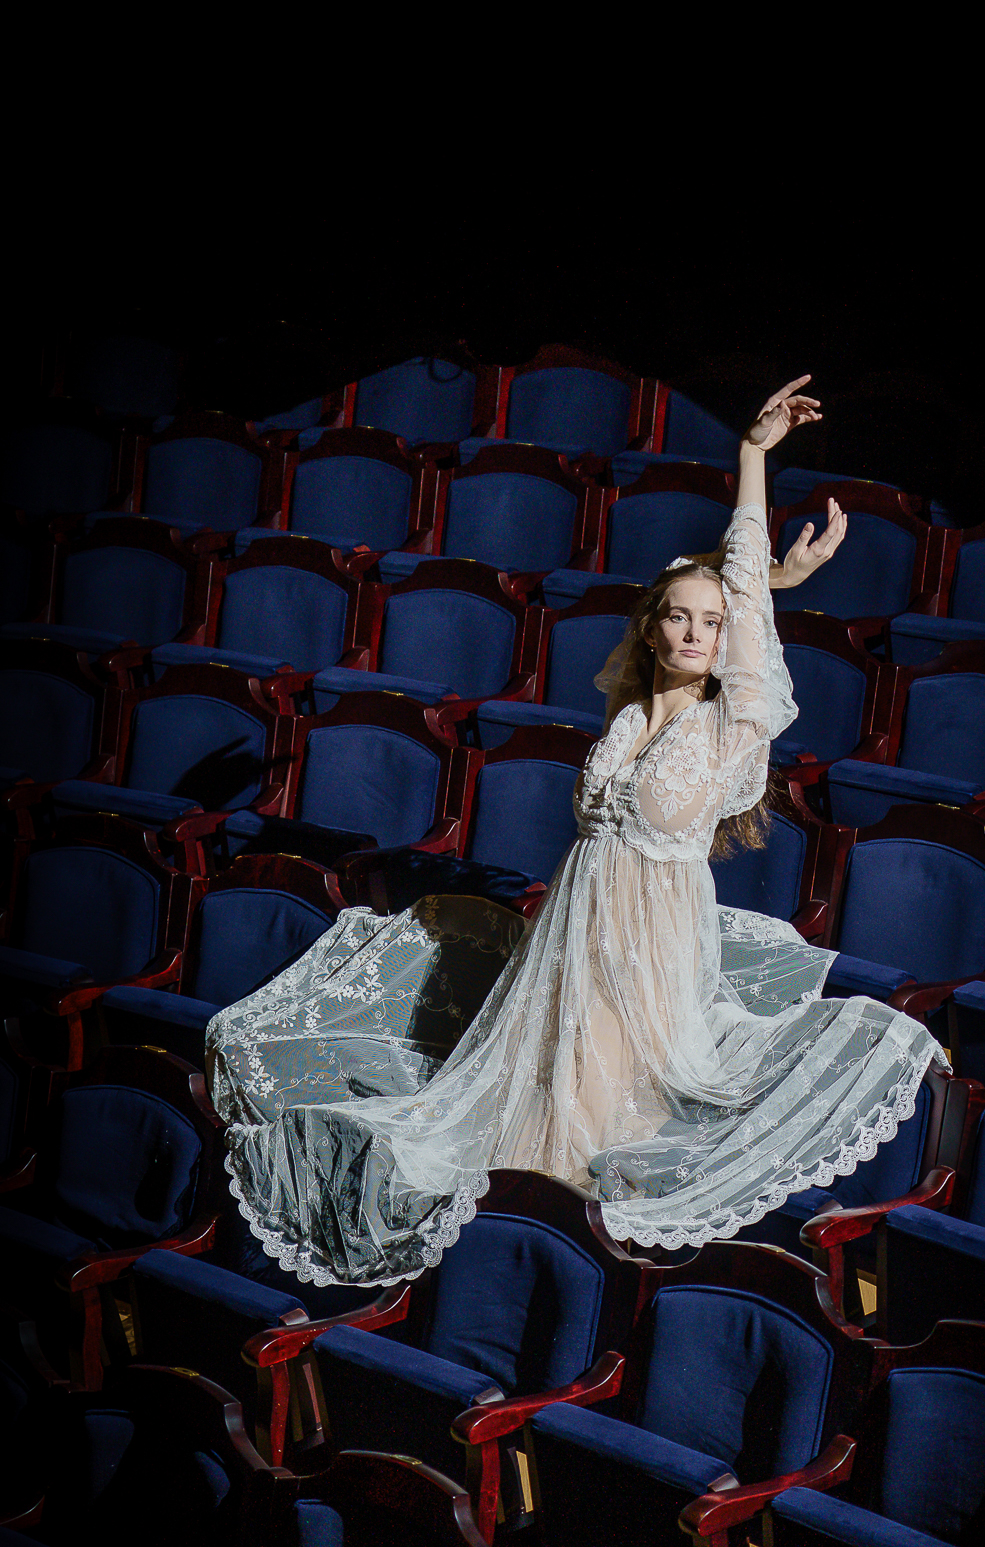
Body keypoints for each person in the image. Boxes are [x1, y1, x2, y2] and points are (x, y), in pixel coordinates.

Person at [208, 378, 947, 1287]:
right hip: (576, 916)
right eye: (678, 618)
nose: (695, 633)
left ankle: (549, 1264)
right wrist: (752, 580)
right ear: (652, 626)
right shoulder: (632, 714)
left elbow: (738, 591)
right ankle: (496, 1257)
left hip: (651, 926)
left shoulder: (733, 718)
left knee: (592, 1116)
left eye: (713, 625)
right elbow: (702, 584)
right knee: (541, 1087)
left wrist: (753, 460)